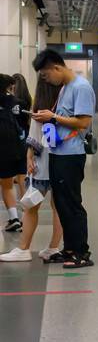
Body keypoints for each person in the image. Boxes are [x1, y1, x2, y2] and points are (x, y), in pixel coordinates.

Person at [30, 49, 95, 268]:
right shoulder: (65, 88)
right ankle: (69, 249)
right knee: (61, 204)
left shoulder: (81, 87)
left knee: (72, 204)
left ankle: (81, 252)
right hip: (58, 153)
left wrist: (53, 116)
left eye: (47, 76)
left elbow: (83, 122)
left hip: (71, 155)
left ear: (57, 68)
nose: (47, 81)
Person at [0, 76, 63, 262]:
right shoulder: (62, 106)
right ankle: (52, 247)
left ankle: (24, 248)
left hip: (41, 165)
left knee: (31, 207)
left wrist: (30, 155)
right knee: (56, 206)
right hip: (58, 163)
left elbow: (34, 135)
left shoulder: (42, 108)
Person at [0, 75, 25, 232]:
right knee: (16, 182)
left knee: (6, 185)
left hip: (2, 149)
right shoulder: (18, 102)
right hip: (18, 147)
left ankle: (14, 217)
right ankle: (23, 215)